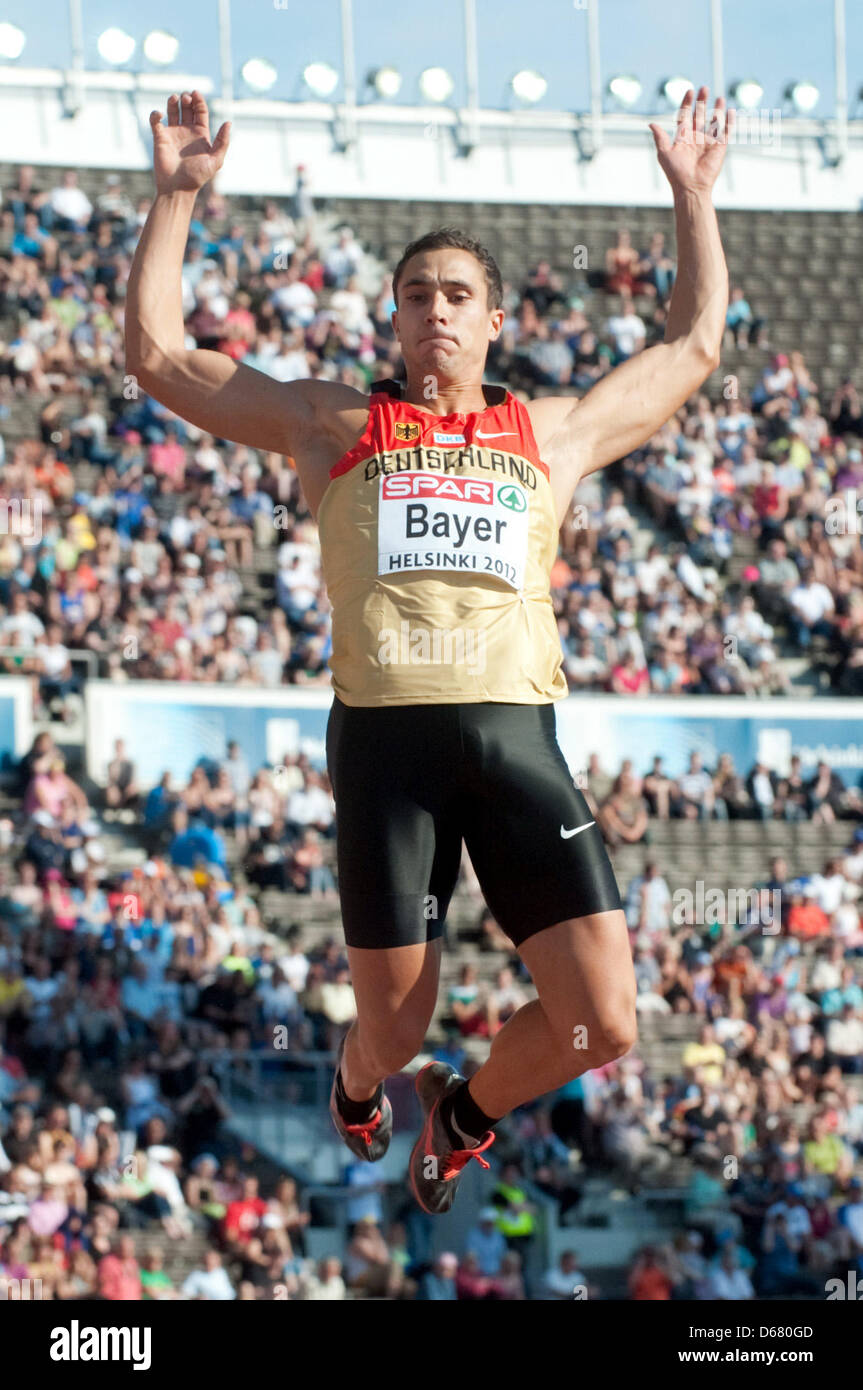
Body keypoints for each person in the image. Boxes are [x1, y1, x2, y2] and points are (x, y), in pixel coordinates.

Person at [127, 86, 730, 1216]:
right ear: (393, 320)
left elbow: (693, 345)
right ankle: (364, 1083)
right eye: (416, 296)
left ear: (493, 317)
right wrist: (173, 198)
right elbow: (158, 357)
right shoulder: (332, 423)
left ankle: (464, 1115)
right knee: (393, 1030)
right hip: (386, 750)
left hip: (515, 737)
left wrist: (689, 197)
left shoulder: (547, 433)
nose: (435, 311)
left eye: (457, 295)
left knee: (602, 1022)